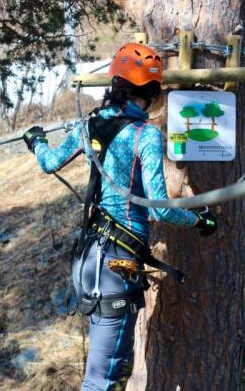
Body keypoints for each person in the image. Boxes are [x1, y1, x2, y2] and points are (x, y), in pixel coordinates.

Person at [22, 43, 217, 391]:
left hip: (88, 259)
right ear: (153, 93)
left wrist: (36, 141)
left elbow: (50, 162)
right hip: (116, 266)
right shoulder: (145, 135)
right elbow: (158, 209)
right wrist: (200, 220)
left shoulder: (90, 124)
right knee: (102, 380)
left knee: (99, 375)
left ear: (117, 84)